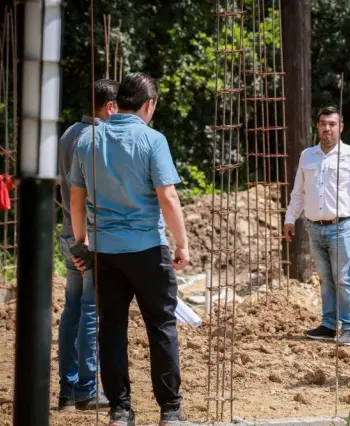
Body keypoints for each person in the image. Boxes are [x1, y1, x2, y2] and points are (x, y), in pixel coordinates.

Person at [69, 72, 189, 426]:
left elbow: (76, 199)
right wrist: (181, 244)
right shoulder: (153, 140)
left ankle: (121, 410)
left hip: (105, 251)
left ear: (117, 101)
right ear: (149, 105)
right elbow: (167, 197)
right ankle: (170, 410)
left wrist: (81, 245)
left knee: (111, 330)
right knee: (161, 326)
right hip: (148, 249)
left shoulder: (86, 142)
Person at [284, 106, 350, 346]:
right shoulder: (308, 156)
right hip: (314, 227)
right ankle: (328, 325)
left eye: (332, 124)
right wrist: (290, 218)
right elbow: (299, 192)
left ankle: (348, 327)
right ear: (318, 127)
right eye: (323, 123)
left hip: (341, 226)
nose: (327, 128)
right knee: (325, 278)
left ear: (341, 127)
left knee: (342, 278)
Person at [57, 78, 118, 411]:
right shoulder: (98, 138)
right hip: (90, 236)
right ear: (110, 106)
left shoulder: (68, 134)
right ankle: (86, 389)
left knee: (72, 310)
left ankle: (67, 389)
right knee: (91, 311)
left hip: (68, 232)